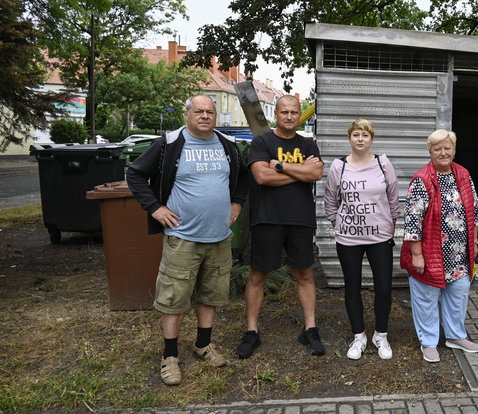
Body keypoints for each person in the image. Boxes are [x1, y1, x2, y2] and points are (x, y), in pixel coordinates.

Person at [126, 94, 248, 385]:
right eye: (199, 111)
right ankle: (170, 356)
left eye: (210, 112)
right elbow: (135, 174)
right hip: (183, 237)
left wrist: (237, 203)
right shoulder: (169, 144)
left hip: (219, 237)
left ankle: (203, 344)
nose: (205, 116)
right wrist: (155, 208)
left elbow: (243, 176)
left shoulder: (227, 145)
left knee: (211, 294)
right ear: (187, 115)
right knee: (174, 298)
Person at [235, 95, 325, 358]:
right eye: (284, 112)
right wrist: (299, 173)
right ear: (276, 113)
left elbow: (316, 174)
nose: (289, 116)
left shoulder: (308, 144)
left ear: (300, 115)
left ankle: (310, 328)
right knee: (258, 276)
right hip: (267, 218)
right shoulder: (263, 142)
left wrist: (281, 166)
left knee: (305, 275)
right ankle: (252, 331)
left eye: (294, 112)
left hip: (300, 219)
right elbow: (261, 177)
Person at [400, 129, 478, 363]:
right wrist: (417, 254)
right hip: (429, 253)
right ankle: (428, 341)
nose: (443, 152)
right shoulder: (422, 179)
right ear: (430, 151)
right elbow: (413, 221)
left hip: (459, 252)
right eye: (437, 149)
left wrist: (474, 242)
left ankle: (455, 336)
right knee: (426, 298)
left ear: (454, 150)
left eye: (447, 147)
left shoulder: (463, 174)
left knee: (458, 295)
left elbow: (475, 211)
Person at [324, 119, 401, 360]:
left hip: (379, 237)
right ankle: (359, 336)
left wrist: (391, 222)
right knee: (352, 287)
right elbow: (330, 200)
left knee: (383, 288)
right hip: (349, 239)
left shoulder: (382, 163)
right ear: (349, 138)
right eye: (355, 134)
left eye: (365, 135)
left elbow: (393, 197)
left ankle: (381, 334)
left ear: (371, 139)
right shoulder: (339, 167)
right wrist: (340, 223)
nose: (360, 139)